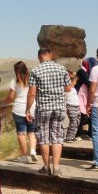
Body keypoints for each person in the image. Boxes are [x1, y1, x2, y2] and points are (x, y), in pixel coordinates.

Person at [25, 48, 72, 176]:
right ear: (50, 55)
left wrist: (27, 109)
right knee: (57, 138)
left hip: (43, 108)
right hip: (59, 108)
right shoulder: (62, 69)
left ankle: (46, 167)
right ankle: (56, 168)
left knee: (44, 138)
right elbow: (68, 88)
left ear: (39, 57)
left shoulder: (35, 71)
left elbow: (32, 93)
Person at [4, 61, 37, 164]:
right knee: (31, 132)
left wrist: (5, 103)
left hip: (18, 109)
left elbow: (11, 96)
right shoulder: (32, 79)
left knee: (21, 134)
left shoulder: (15, 81)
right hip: (32, 109)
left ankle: (24, 156)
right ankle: (33, 150)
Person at [76, 57, 98, 140]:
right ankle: (78, 133)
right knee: (81, 114)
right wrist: (97, 84)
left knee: (90, 114)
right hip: (80, 96)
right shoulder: (81, 71)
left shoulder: (89, 72)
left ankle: (90, 134)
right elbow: (88, 82)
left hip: (86, 96)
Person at [64, 71, 81, 143]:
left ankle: (72, 136)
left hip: (76, 106)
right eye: (75, 81)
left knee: (77, 121)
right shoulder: (67, 89)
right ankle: (69, 137)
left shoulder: (73, 88)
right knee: (73, 122)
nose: (76, 83)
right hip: (71, 106)